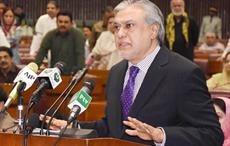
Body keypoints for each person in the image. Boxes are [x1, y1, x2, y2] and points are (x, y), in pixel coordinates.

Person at [40, 0, 223, 145]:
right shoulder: (117, 72)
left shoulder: (183, 73)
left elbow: (211, 134)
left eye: (129, 26)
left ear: (153, 31)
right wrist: (73, 126)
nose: (119, 34)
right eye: (117, 27)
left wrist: (161, 135)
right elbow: (113, 127)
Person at [35, 10, 85, 75]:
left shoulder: (78, 35)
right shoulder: (50, 35)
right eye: (60, 22)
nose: (62, 24)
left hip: (72, 75)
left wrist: (78, 74)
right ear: (56, 22)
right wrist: (34, 69)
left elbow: (80, 55)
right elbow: (41, 53)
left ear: (71, 23)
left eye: (66, 22)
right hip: (54, 75)